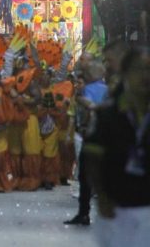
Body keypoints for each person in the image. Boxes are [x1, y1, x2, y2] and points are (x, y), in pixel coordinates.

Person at [85, 46, 150, 247]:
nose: (145, 76)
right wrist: (102, 196)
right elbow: (92, 158)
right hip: (117, 210)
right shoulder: (108, 115)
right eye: (139, 70)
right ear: (126, 74)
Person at [65, 59, 109, 226]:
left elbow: (87, 111)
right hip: (107, 137)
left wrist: (83, 126)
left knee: (85, 176)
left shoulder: (87, 90)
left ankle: (84, 213)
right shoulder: (109, 89)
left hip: (91, 136)